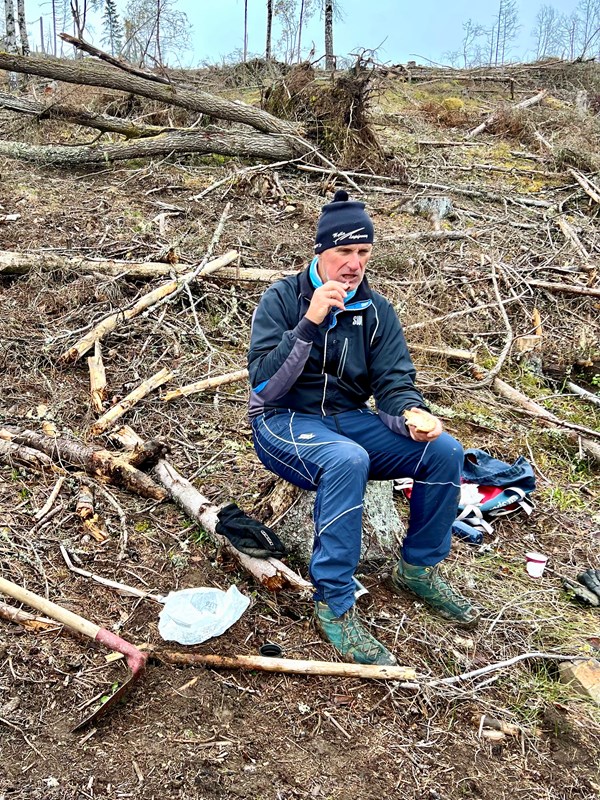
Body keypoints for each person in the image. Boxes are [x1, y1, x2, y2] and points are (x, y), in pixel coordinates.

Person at [247, 190, 479, 667]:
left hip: (348, 419)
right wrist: (310, 322)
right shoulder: (284, 299)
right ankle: (333, 604)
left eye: (363, 253)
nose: (353, 265)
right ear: (320, 252)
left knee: (445, 452)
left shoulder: (376, 312)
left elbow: (394, 381)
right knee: (346, 459)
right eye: (343, 253)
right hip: (283, 420)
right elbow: (266, 386)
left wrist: (410, 414)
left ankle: (417, 569)